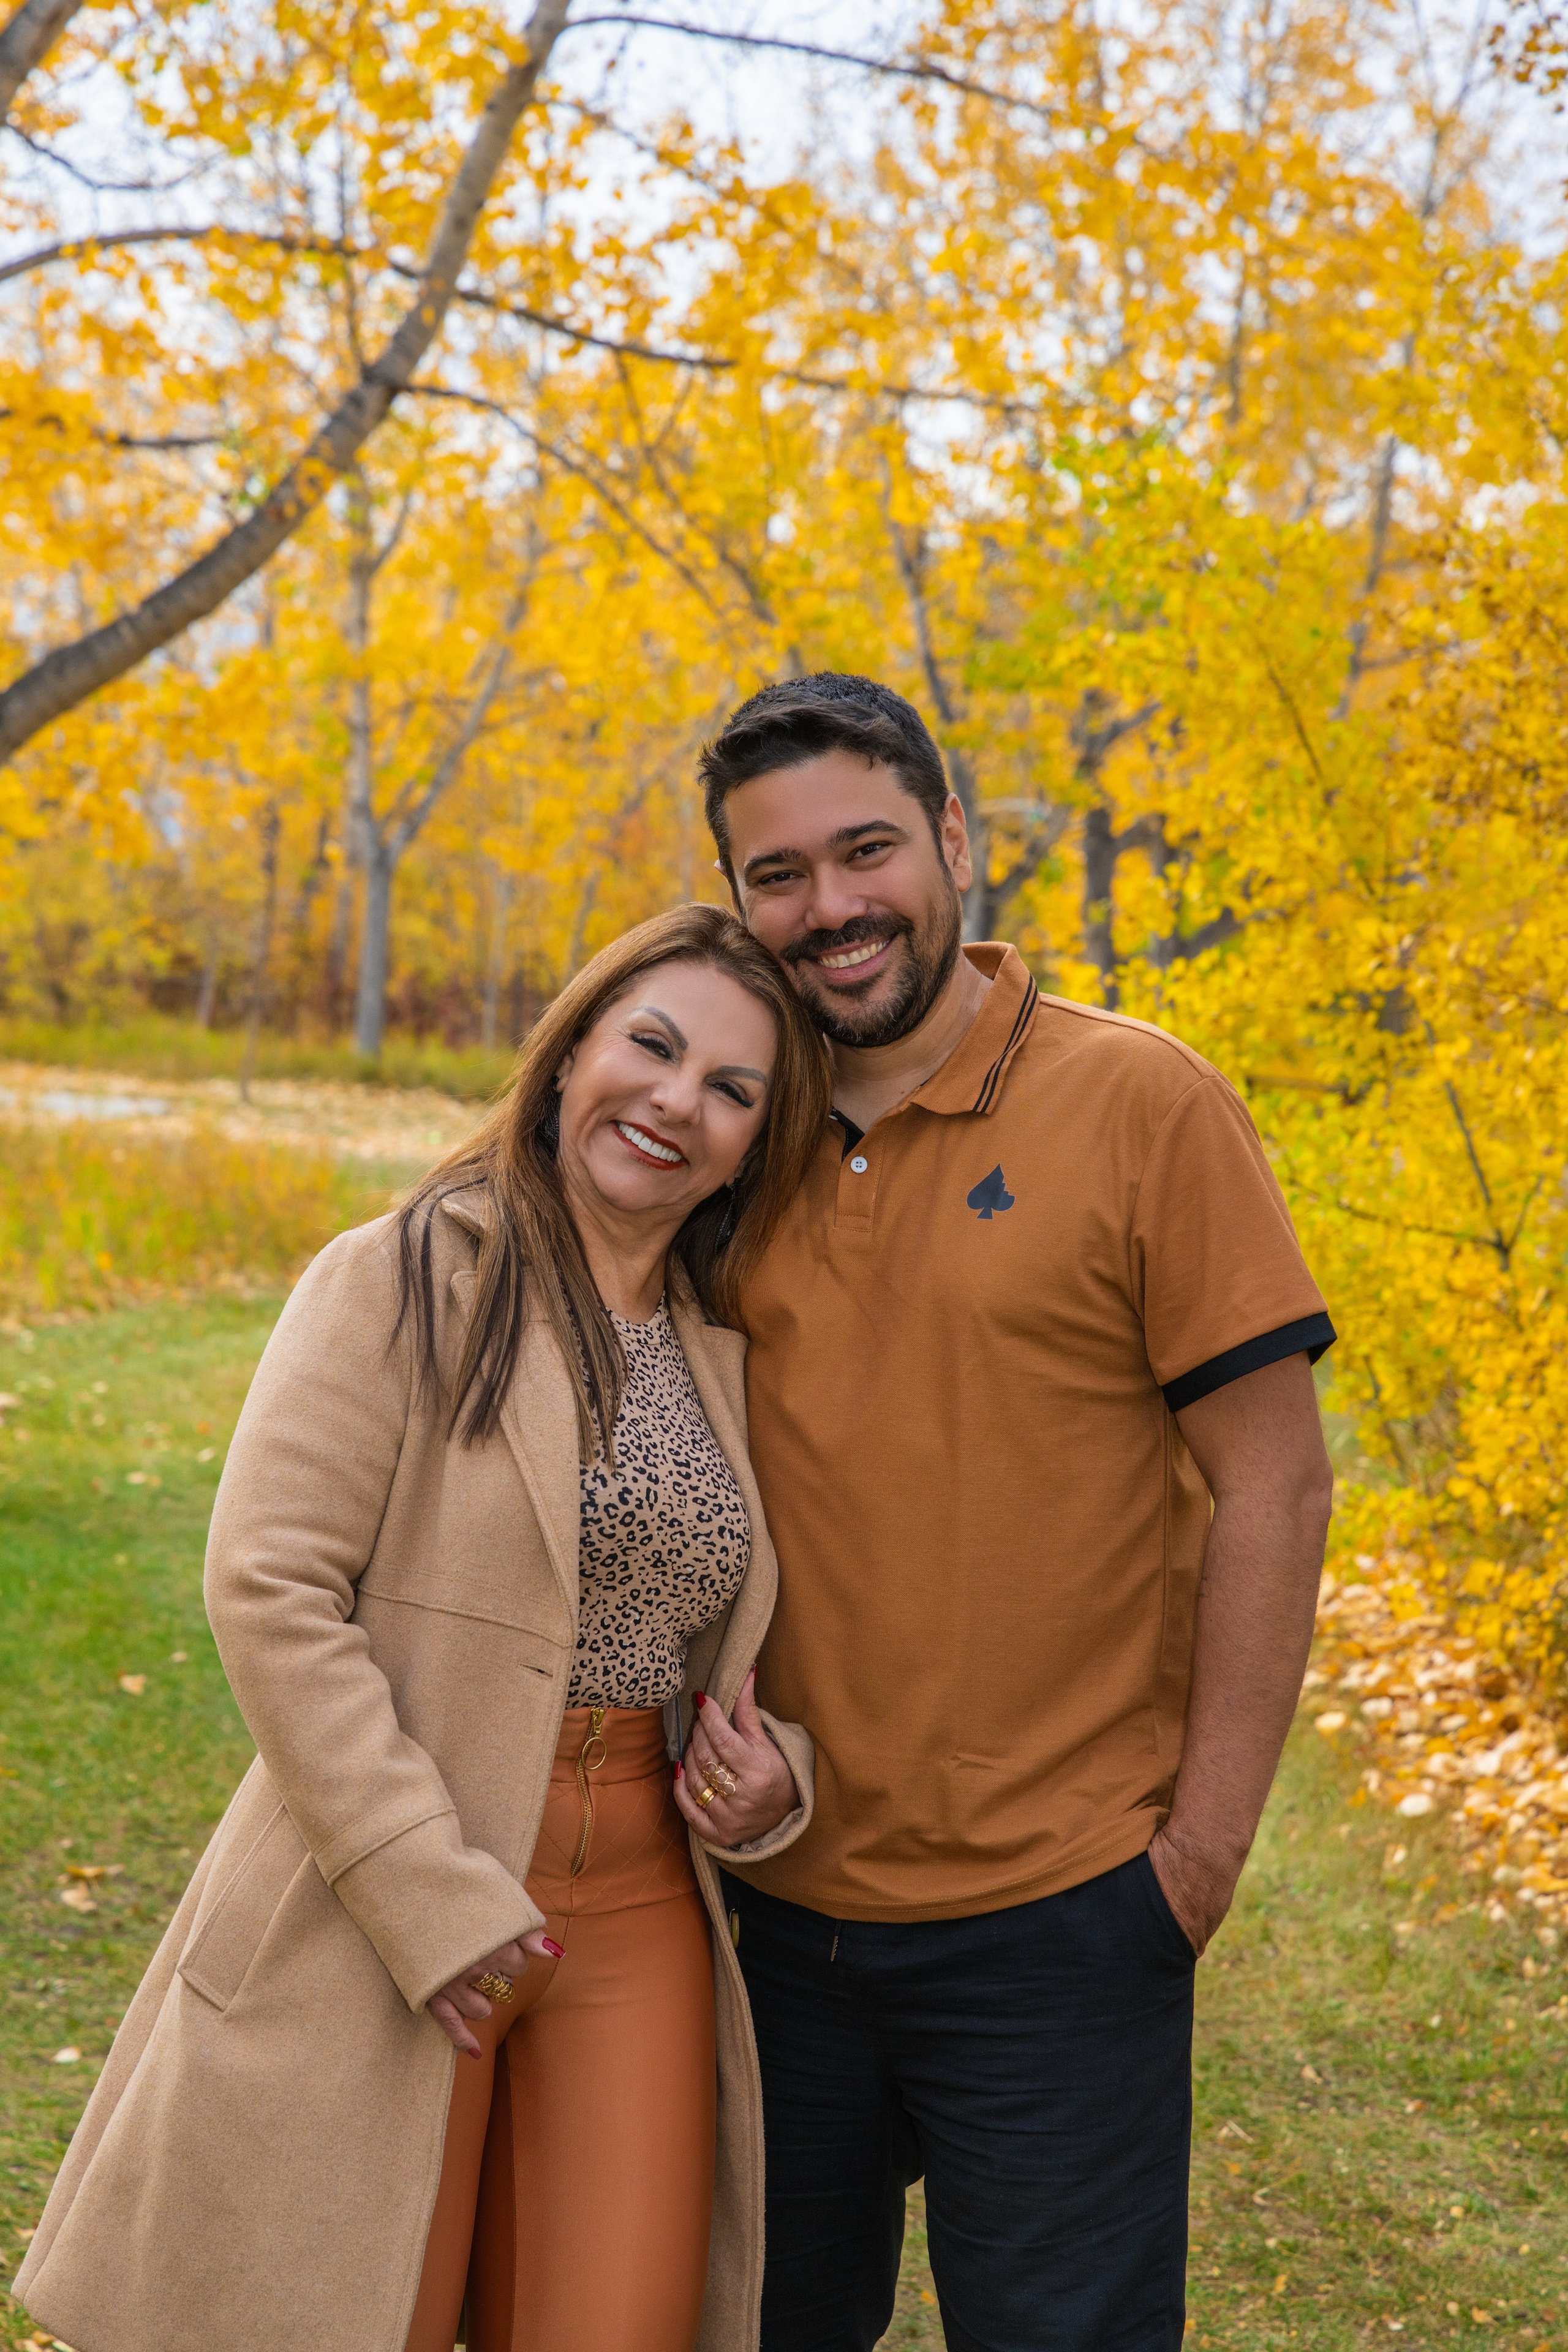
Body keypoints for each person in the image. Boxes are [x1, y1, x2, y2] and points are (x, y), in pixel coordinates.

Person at [16, 903, 832, 2352]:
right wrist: (425, 1889)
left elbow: (724, 1631)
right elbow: (269, 1588)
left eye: (730, 1090)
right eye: (649, 1045)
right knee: (338, 2316)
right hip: (380, 1893)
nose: (674, 1102)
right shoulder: (397, 1276)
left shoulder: (724, 1347)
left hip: (641, 1899)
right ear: (573, 1044)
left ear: (756, 1143)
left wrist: (773, 1777)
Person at [699, 674, 1338, 2352]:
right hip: (766, 1915)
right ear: (740, 905)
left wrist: (1193, 1865)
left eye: (865, 851)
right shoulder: (720, 1137)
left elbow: (1275, 1480)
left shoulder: (1142, 1106)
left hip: (1063, 1927)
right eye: (780, 876)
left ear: (954, 842)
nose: (830, 907)